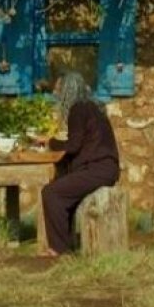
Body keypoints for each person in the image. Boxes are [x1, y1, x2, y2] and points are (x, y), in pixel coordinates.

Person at [39, 71, 120, 257]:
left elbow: (73, 145)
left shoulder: (78, 109)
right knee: (62, 187)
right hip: (105, 168)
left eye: (59, 89)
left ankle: (59, 249)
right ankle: (66, 244)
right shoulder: (95, 108)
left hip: (97, 169)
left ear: (68, 90)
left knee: (51, 192)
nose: (56, 93)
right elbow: (83, 143)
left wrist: (51, 142)